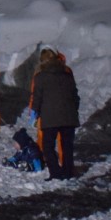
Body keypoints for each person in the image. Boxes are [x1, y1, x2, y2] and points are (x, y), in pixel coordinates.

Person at [29, 47, 80, 180]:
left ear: (42, 61)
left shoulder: (40, 77)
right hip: (69, 116)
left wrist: (34, 113)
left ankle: (56, 173)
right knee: (67, 146)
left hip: (50, 117)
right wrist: (74, 110)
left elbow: (37, 98)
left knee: (48, 146)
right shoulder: (67, 74)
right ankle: (68, 173)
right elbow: (75, 96)